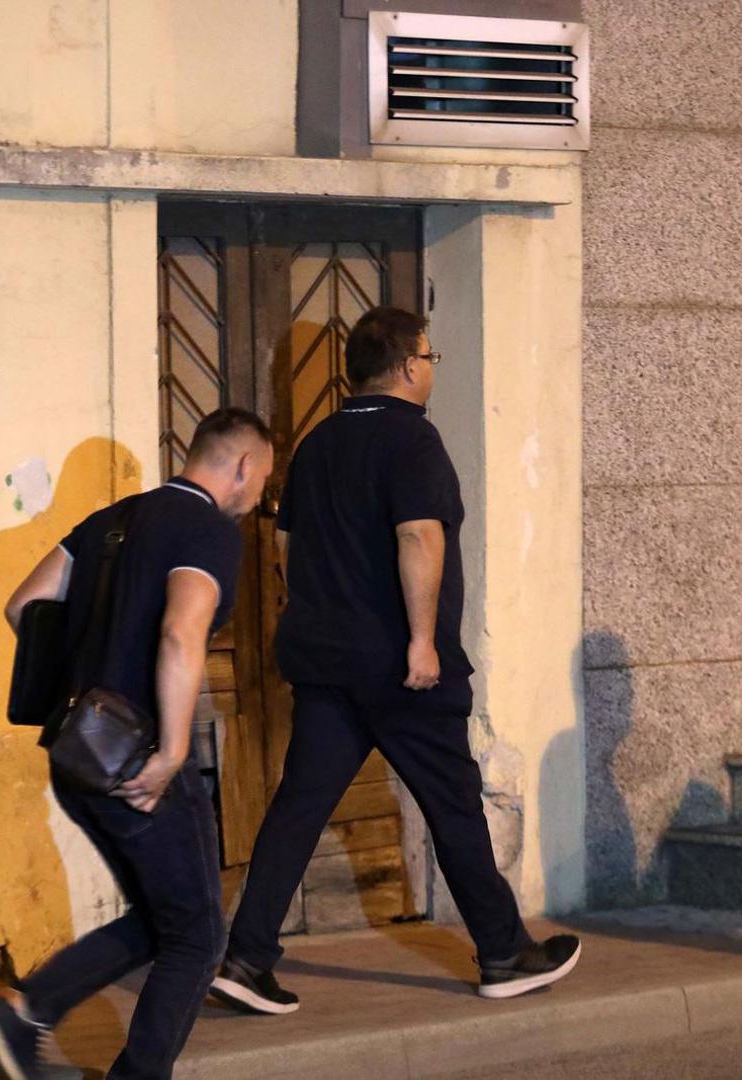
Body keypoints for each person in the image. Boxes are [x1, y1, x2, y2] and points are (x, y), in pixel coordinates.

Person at [210, 306, 579, 1015]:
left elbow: (286, 550)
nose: (431, 368)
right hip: (400, 669)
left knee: (297, 808)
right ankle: (503, 955)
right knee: (453, 806)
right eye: (430, 357)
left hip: (327, 664)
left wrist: (326, 616)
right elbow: (418, 536)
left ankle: (247, 957)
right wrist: (421, 640)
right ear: (409, 365)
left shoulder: (316, 444)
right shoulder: (412, 437)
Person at [0, 408, 275, 1080]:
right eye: (262, 481)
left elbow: (23, 606)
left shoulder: (110, 521)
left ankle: (25, 1014)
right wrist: (170, 752)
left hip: (75, 753)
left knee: (165, 915)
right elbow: (180, 634)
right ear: (244, 464)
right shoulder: (207, 530)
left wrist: (87, 680)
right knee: (198, 936)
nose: (259, 497)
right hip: (137, 762)